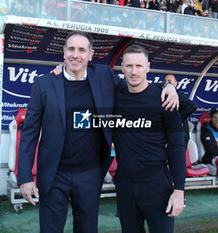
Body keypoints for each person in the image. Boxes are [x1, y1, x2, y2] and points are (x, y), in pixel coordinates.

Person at [17, 31, 178, 233]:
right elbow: (30, 132)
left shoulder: (104, 76)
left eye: (81, 50)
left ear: (90, 55)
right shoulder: (44, 84)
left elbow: (136, 86)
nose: (76, 55)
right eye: (71, 49)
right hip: (54, 173)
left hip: (90, 173)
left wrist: (169, 84)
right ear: (64, 52)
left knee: (87, 229)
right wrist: (24, 177)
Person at [113, 45, 186, 233]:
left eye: (139, 65)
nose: (134, 71)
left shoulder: (165, 98)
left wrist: (179, 190)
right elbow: (88, 74)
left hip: (157, 184)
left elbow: (177, 145)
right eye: (129, 66)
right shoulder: (115, 95)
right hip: (125, 185)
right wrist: (60, 69)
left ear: (148, 67)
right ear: (122, 67)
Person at [164, 74, 197, 147]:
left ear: (175, 84)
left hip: (180, 135)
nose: (167, 83)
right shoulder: (163, 95)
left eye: (169, 81)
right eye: (165, 81)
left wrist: (178, 118)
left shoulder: (177, 94)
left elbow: (192, 106)